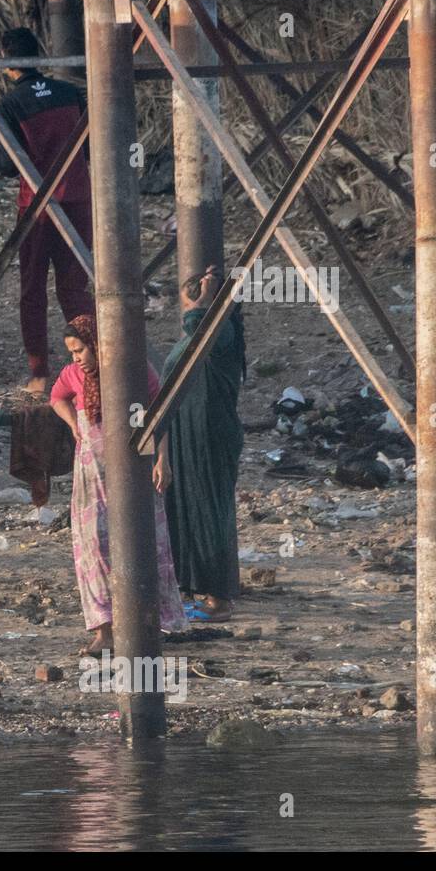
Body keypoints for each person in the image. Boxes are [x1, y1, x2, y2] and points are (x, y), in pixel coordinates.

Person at [50, 315, 187, 654]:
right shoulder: (74, 375)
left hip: (134, 469)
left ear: (98, 344)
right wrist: (74, 427)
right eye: (72, 352)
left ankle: (151, 623)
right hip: (92, 473)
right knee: (94, 546)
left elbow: (159, 415)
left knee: (145, 541)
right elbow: (56, 397)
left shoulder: (133, 371)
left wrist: (162, 459)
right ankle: (104, 630)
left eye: (81, 350)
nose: (76, 358)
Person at [0, 26, 94, 397]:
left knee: (33, 289)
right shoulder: (71, 92)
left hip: (36, 209)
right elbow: (89, 146)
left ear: (8, 63)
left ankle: (39, 373)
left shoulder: (9, 104)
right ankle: (94, 364)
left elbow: (6, 165)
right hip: (79, 200)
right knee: (74, 287)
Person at [164, 267, 246, 623]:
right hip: (185, 434)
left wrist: (208, 299)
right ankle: (193, 585)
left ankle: (219, 596)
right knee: (185, 509)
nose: (187, 310)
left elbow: (198, 325)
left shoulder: (222, 331)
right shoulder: (201, 332)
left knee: (211, 512)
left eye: (192, 302)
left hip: (210, 435)